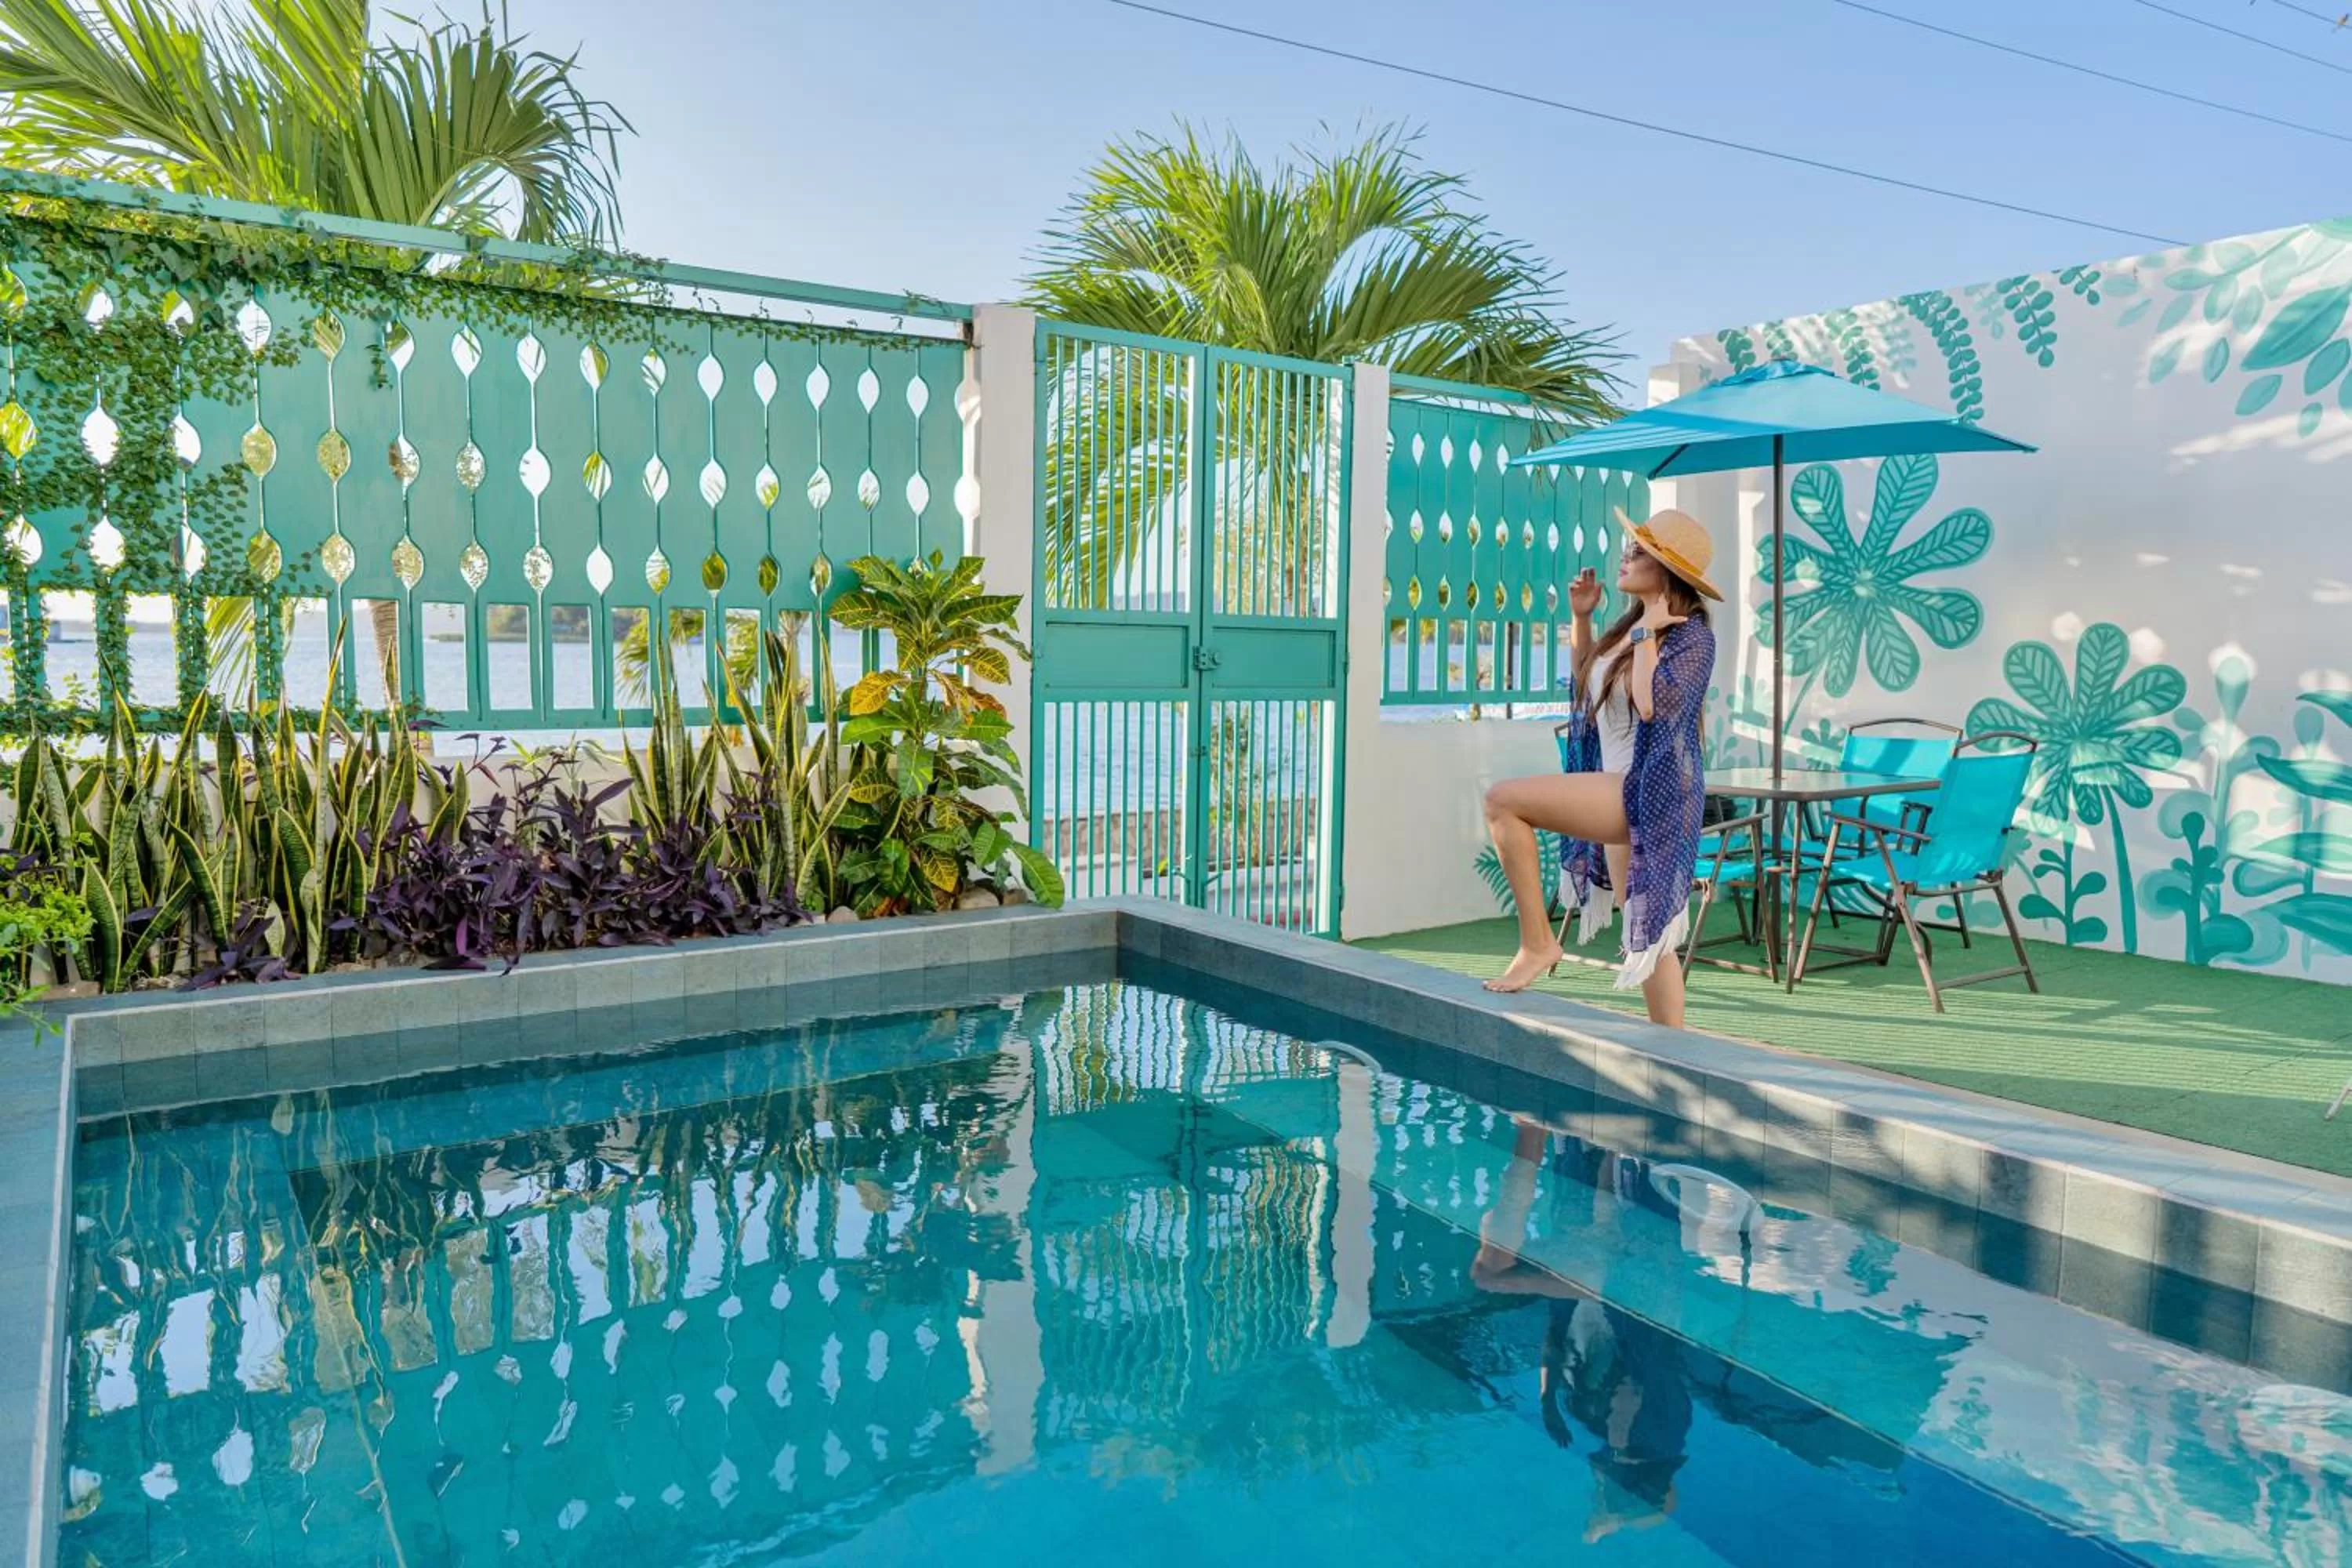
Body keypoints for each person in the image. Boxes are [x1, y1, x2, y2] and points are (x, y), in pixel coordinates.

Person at [1479, 508, 1722, 1023]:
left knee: (1503, 801)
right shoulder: (1636, 624)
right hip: (1622, 788)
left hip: (1651, 792)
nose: (1625, 557)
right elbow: (1590, 681)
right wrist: (1584, 618)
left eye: (1637, 551)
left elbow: (1654, 704)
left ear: (1666, 569)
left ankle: (1539, 944)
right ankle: (1674, 1051)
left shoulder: (1691, 636)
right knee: (1650, 941)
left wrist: (1649, 637)